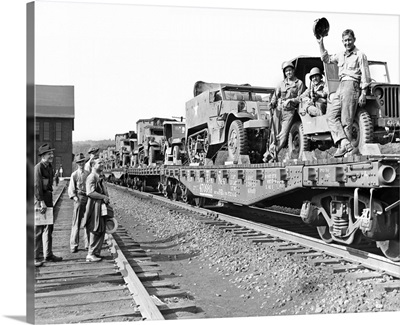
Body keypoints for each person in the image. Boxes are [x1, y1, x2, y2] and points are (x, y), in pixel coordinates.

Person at [317, 29, 371, 157]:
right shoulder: (340, 54)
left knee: (346, 120)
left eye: (349, 40)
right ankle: (344, 142)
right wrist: (321, 43)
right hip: (340, 86)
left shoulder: (360, 55)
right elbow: (326, 59)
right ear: (342, 41)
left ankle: (345, 149)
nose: (347, 43)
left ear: (354, 40)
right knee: (330, 115)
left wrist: (363, 93)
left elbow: (365, 75)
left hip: (352, 85)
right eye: (345, 40)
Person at [264, 61, 305, 161]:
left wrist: (291, 100)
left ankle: (273, 153)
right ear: (284, 73)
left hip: (289, 112)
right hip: (278, 111)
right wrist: (272, 103)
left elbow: (301, 97)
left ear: (293, 71)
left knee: (283, 135)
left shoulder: (299, 83)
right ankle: (269, 154)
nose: (288, 73)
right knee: (274, 134)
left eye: (290, 70)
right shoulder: (281, 84)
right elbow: (275, 96)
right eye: (286, 71)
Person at [34, 144, 63, 267]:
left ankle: (48, 254)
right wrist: (41, 202)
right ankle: (35, 257)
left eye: (51, 153)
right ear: (42, 155)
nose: (52, 155)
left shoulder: (49, 167)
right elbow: (37, 186)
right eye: (49, 154)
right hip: (40, 199)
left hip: (48, 198)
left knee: (49, 228)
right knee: (39, 229)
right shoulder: (38, 168)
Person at [82, 158, 110, 262]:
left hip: (100, 206)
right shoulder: (91, 177)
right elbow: (90, 192)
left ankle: (96, 252)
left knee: (101, 228)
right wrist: (103, 197)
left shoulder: (99, 177)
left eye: (103, 162)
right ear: (93, 165)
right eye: (99, 163)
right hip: (94, 206)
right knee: (95, 228)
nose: (102, 164)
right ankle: (90, 253)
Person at [68, 153, 90, 253]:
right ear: (77, 163)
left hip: (88, 198)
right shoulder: (74, 174)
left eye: (82, 162)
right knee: (76, 222)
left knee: (88, 222)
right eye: (79, 162)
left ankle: (88, 244)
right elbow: (71, 188)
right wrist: (75, 197)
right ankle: (74, 245)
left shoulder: (88, 173)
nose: (81, 163)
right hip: (79, 198)